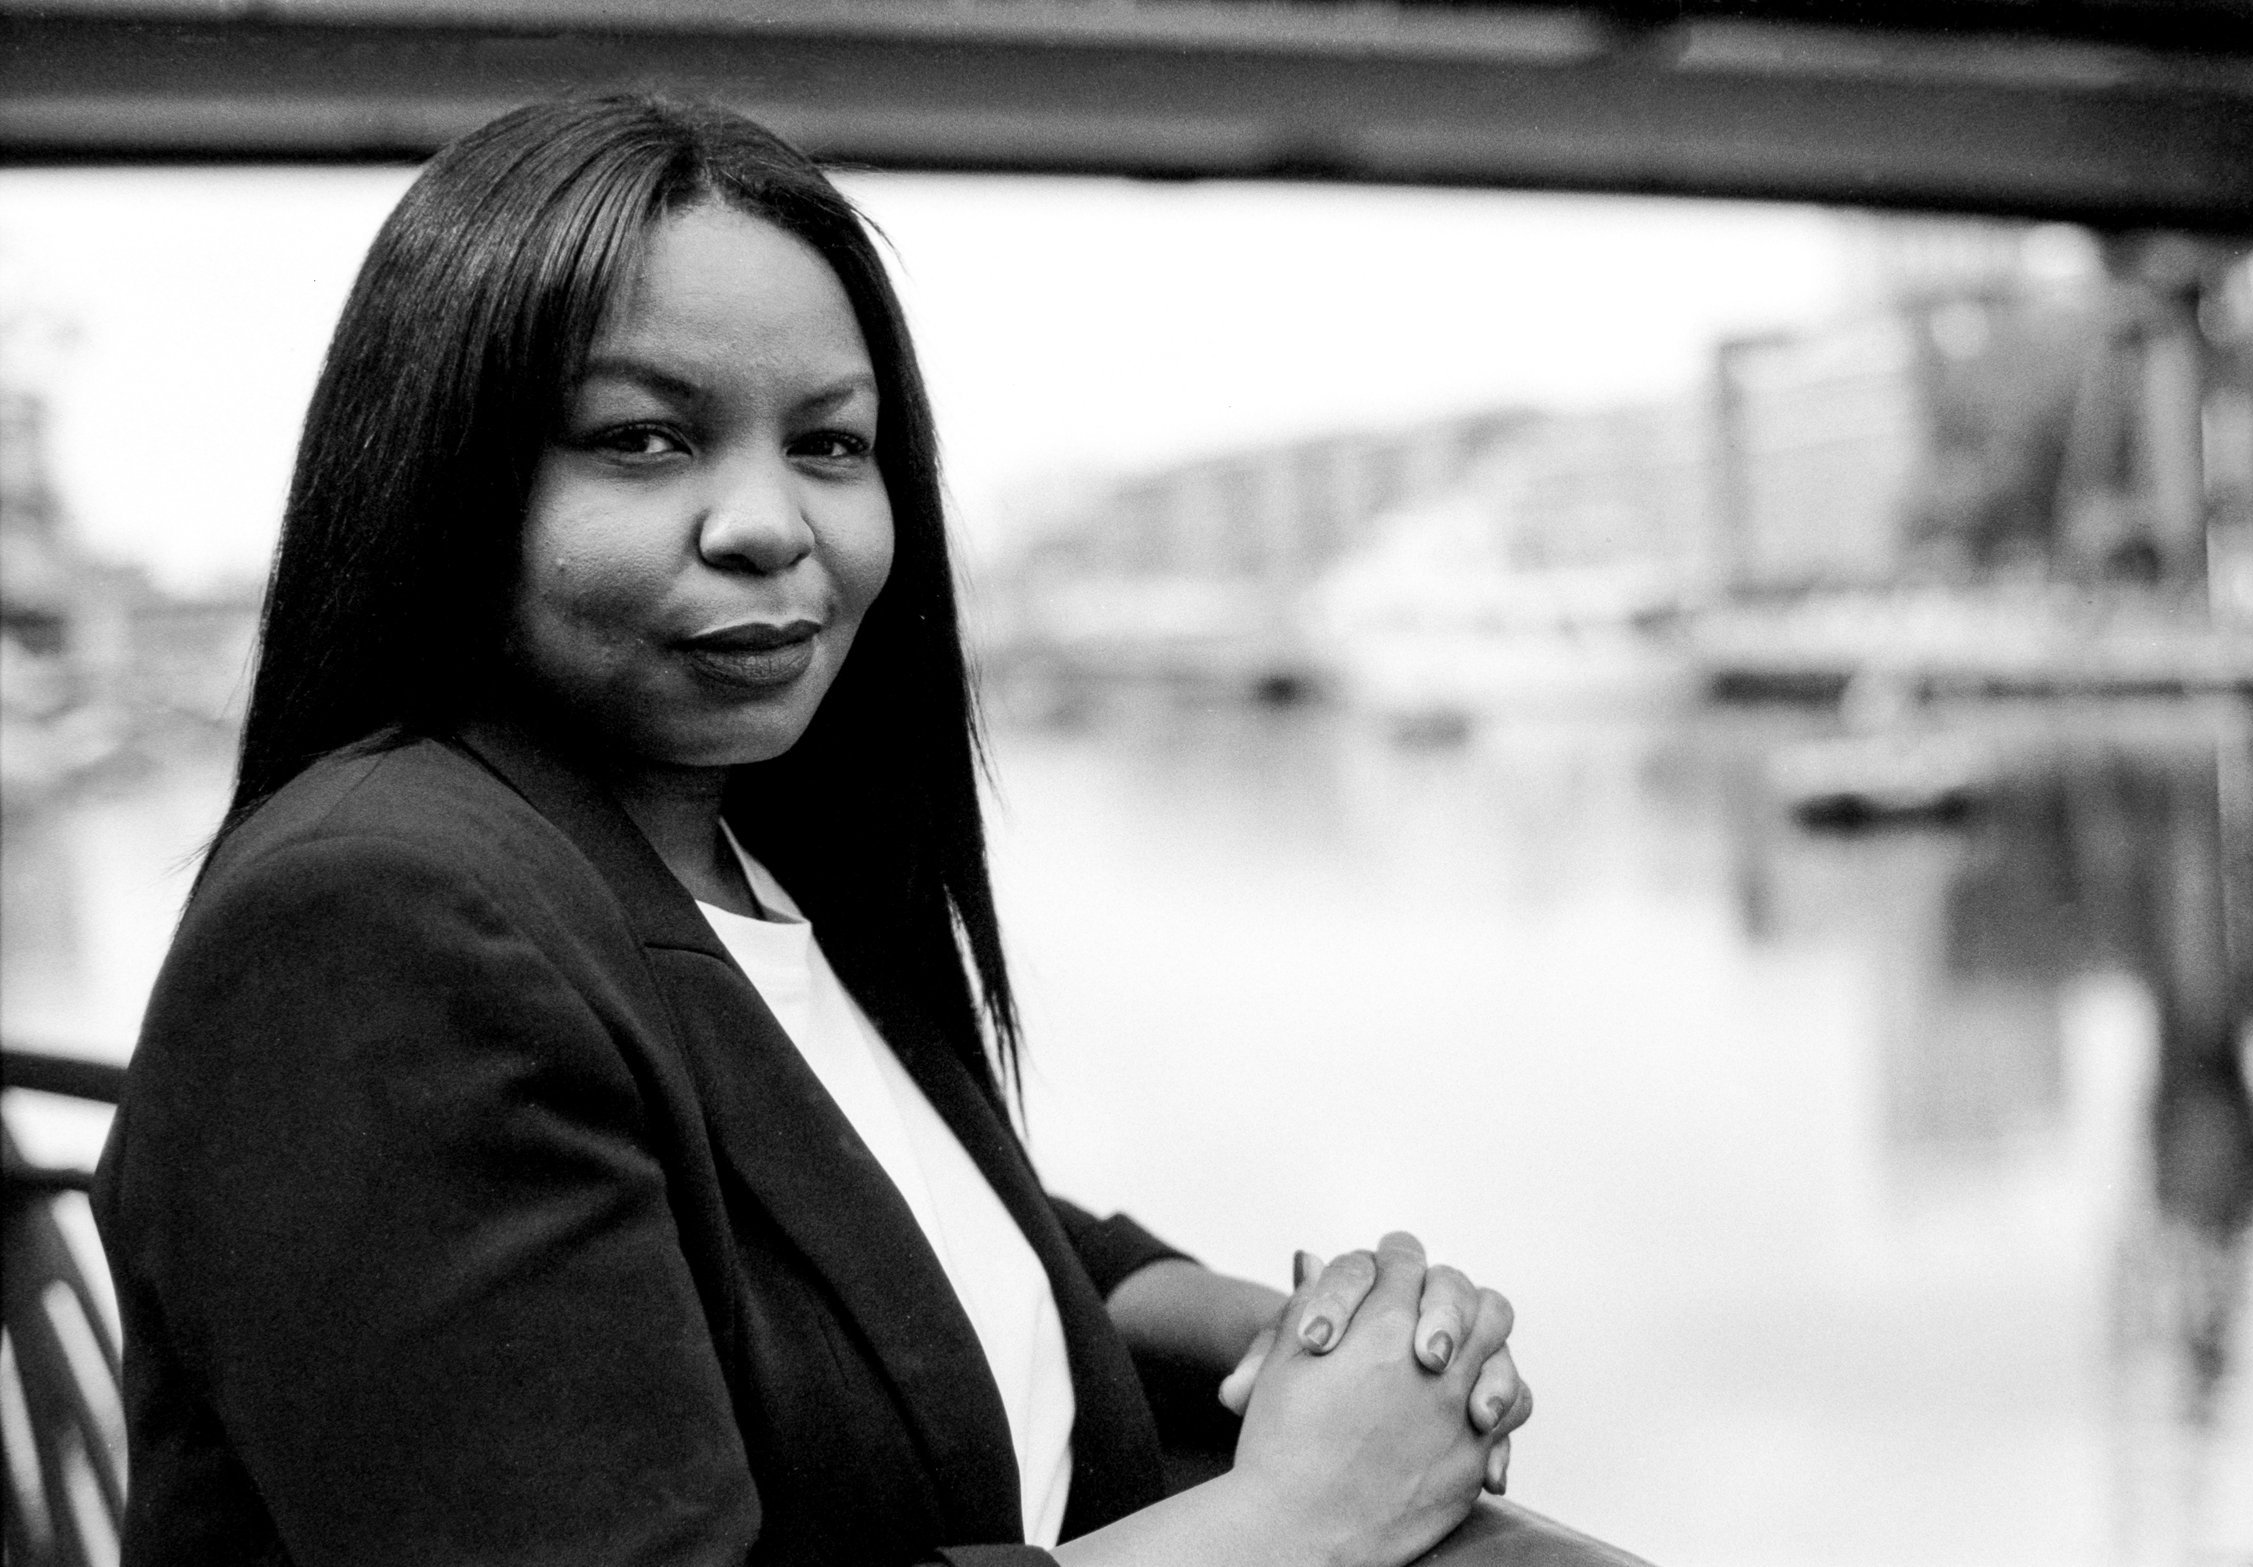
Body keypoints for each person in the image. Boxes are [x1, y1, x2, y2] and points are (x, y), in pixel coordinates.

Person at [93, 96, 1533, 1567]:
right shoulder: (374, 931)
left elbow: (871, 1228)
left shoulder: (736, 855)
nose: (769, 522)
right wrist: (1303, 1513)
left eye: (833, 445)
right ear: (441, 475)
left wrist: (1288, 1328)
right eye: (645, 438)